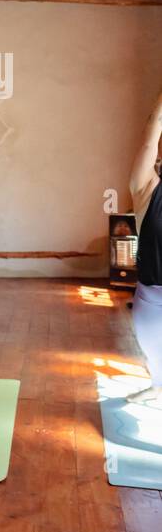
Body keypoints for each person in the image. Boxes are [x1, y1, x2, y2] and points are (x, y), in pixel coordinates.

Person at [127, 88, 162, 406]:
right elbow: (149, 143)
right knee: (155, 355)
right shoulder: (147, 190)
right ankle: (158, 384)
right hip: (151, 299)